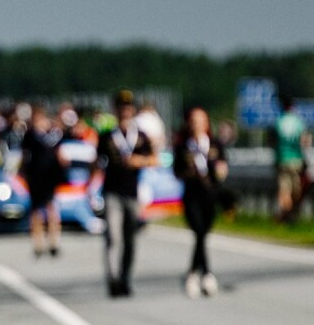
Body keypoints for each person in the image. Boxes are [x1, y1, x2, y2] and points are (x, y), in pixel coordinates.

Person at [96, 89, 159, 298]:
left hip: (132, 192)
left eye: (128, 108)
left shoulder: (140, 136)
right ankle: (113, 279)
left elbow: (154, 159)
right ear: (116, 110)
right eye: (121, 108)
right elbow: (96, 164)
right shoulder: (107, 137)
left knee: (130, 240)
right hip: (112, 191)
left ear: (132, 111)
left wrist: (138, 161)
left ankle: (125, 278)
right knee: (113, 237)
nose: (125, 111)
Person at [173, 106, 229, 298]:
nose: (197, 124)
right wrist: (191, 171)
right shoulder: (183, 147)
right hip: (191, 195)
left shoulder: (214, 144)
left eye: (200, 120)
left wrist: (220, 171)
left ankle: (192, 272)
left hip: (210, 194)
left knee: (203, 234)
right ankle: (206, 273)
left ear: (206, 123)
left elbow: (223, 166)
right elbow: (177, 171)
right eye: (193, 121)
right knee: (198, 231)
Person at [20, 106, 68, 258]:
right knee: (36, 211)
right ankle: (38, 242)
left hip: (50, 176)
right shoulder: (30, 136)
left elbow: (60, 154)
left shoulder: (54, 135)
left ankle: (54, 241)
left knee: (51, 208)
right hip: (35, 176)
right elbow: (24, 156)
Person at [272, 97, 311, 222]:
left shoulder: (278, 122)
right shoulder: (298, 122)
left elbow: (272, 141)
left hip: (282, 159)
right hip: (297, 160)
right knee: (296, 189)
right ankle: (291, 214)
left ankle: (286, 213)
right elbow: (305, 141)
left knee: (284, 189)